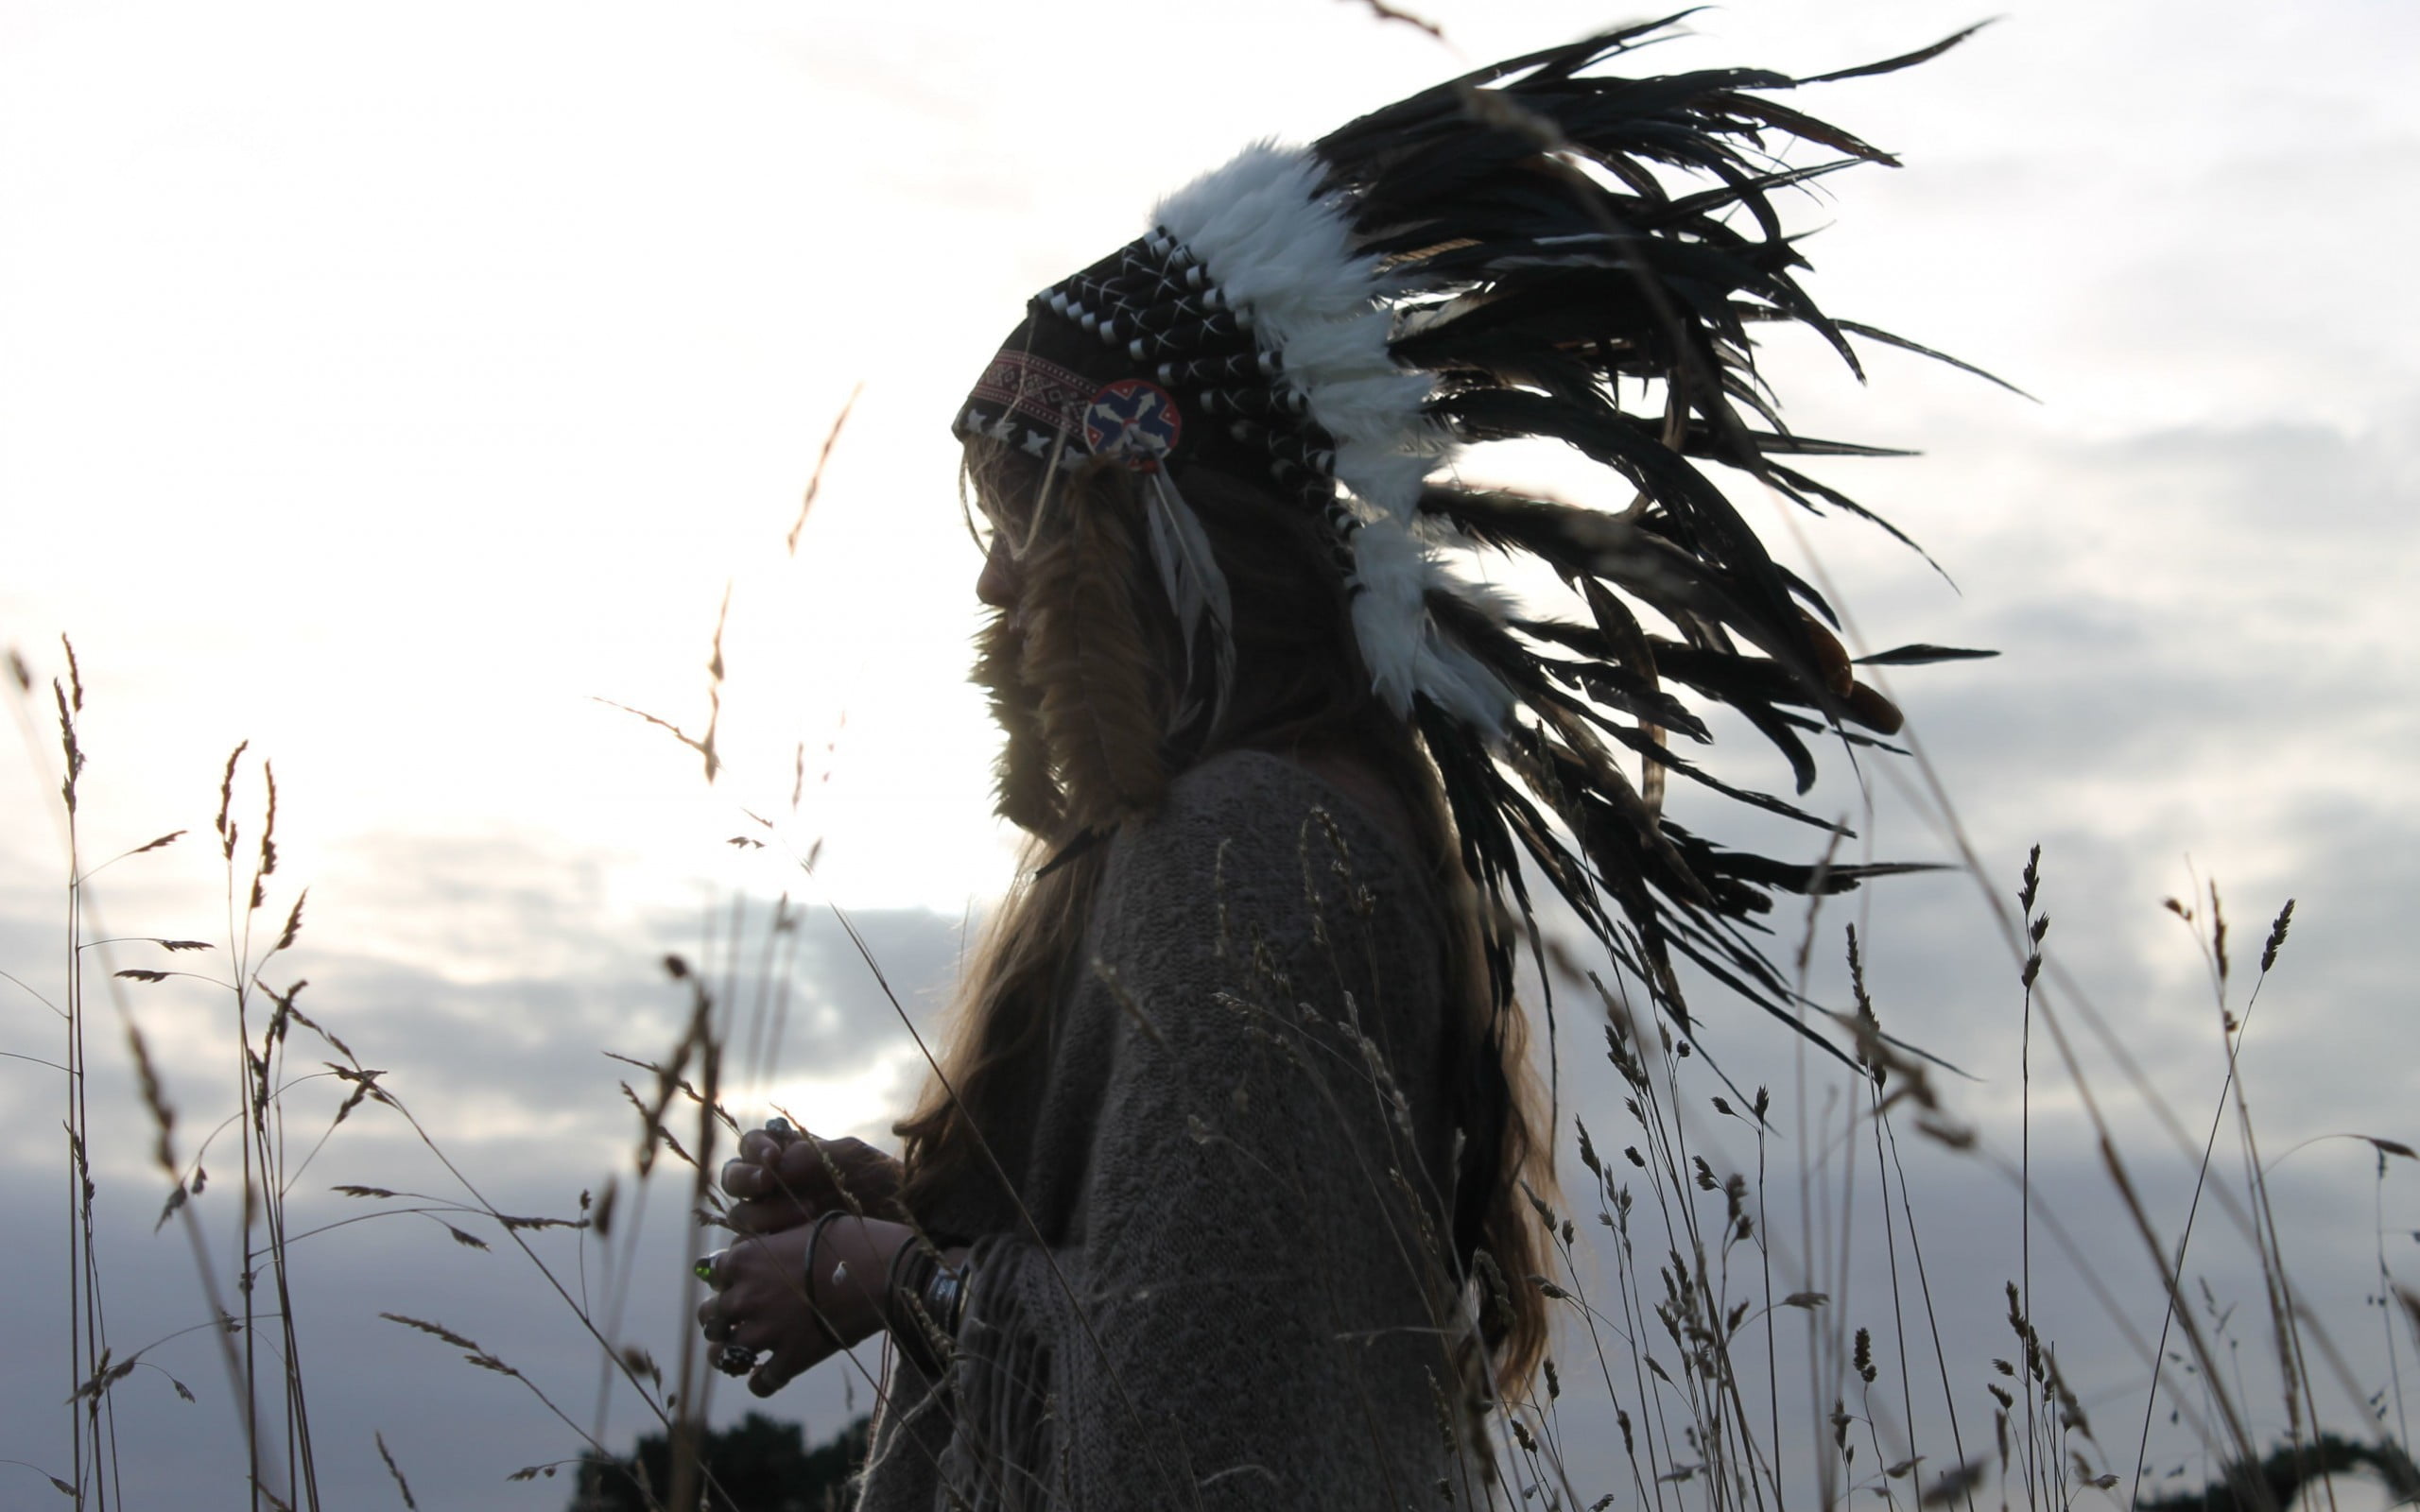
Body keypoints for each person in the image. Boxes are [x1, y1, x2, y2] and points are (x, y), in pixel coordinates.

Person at [694, 22, 1979, 1509]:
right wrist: (903, 1203)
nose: (998, 592)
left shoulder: (1247, 848)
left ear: (1171, 539)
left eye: (1033, 524)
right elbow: (1196, 1280)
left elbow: (1205, 1388)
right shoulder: (1273, 821)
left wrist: (879, 1277)